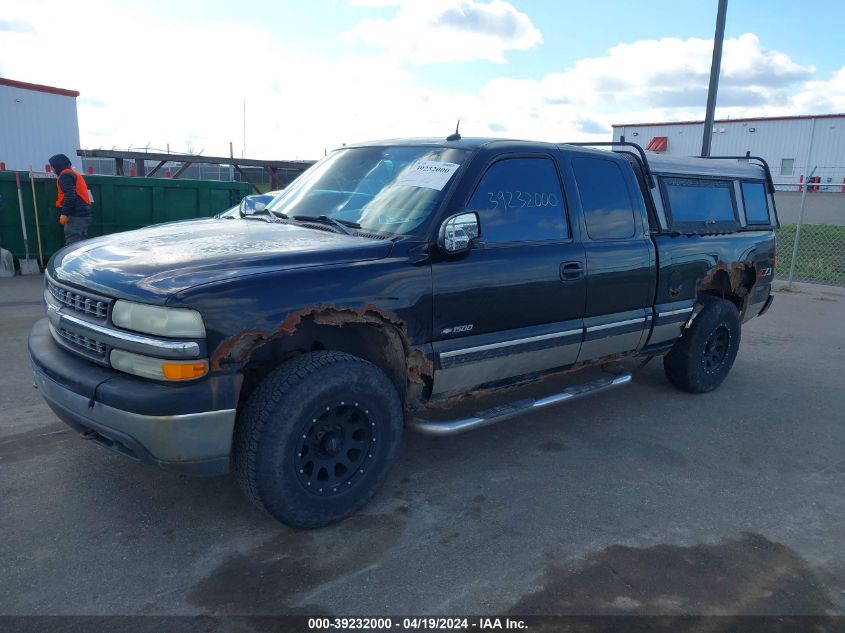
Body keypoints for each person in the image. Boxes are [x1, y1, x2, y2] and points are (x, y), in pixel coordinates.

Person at [48, 154, 92, 245]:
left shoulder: (65, 175)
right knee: (82, 244)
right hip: (83, 214)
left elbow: (70, 196)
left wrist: (64, 213)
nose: (52, 169)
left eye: (52, 166)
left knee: (73, 246)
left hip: (75, 216)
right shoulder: (74, 174)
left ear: (57, 165)